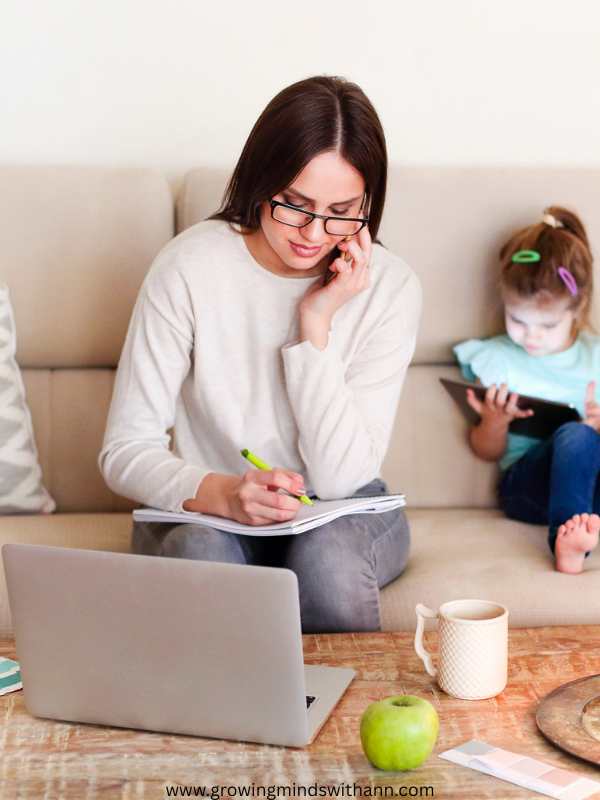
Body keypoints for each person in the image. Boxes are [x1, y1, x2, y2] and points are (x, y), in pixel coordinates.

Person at [99, 75, 422, 632]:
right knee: (204, 556)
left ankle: (340, 694)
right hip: (210, 511)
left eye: (342, 210)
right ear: (260, 179)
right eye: (294, 205)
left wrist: (315, 325)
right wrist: (223, 493)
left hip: (336, 509)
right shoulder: (189, 267)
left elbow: (339, 479)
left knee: (329, 562)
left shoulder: (390, 288)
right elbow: (124, 450)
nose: (314, 234)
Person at [454, 206, 600, 575]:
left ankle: (581, 527)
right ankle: (566, 545)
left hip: (589, 489)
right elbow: (485, 451)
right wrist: (494, 422)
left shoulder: (595, 358)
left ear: (577, 307)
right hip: (526, 489)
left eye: (547, 326)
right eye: (517, 320)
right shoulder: (498, 360)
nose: (531, 336)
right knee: (576, 435)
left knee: (586, 436)